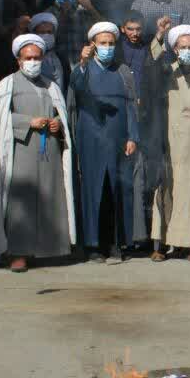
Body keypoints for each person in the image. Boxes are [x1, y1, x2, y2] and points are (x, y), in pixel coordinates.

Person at [0, 34, 75, 272]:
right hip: (20, 150)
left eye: (36, 57)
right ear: (19, 60)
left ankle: (48, 249)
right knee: (19, 203)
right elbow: (1, 119)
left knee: (49, 197)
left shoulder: (51, 85)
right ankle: (18, 253)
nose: (33, 61)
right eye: (28, 58)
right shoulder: (7, 84)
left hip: (48, 152)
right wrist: (27, 122)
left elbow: (61, 114)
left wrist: (57, 123)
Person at [69, 22, 141, 264]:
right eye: (102, 43)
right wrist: (81, 63)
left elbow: (132, 105)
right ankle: (93, 244)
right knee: (94, 190)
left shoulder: (123, 71)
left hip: (118, 141)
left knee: (118, 190)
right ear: (93, 45)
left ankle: (117, 242)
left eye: (111, 43)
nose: (107, 48)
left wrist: (132, 136)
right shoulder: (83, 69)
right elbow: (76, 90)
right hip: (91, 140)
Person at [143, 24, 190, 262]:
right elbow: (150, 68)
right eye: (182, 47)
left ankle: (189, 246)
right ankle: (160, 246)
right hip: (169, 144)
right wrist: (158, 37)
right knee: (165, 192)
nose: (187, 51)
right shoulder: (165, 72)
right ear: (173, 49)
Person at [48, 0, 101, 71]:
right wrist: (64, 12)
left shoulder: (84, 10)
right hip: (59, 68)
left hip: (83, 65)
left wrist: (90, 7)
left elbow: (104, 28)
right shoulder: (50, 13)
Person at [26, 12, 65, 92]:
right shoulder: (30, 58)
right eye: (42, 32)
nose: (46, 35)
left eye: (49, 32)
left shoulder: (60, 56)